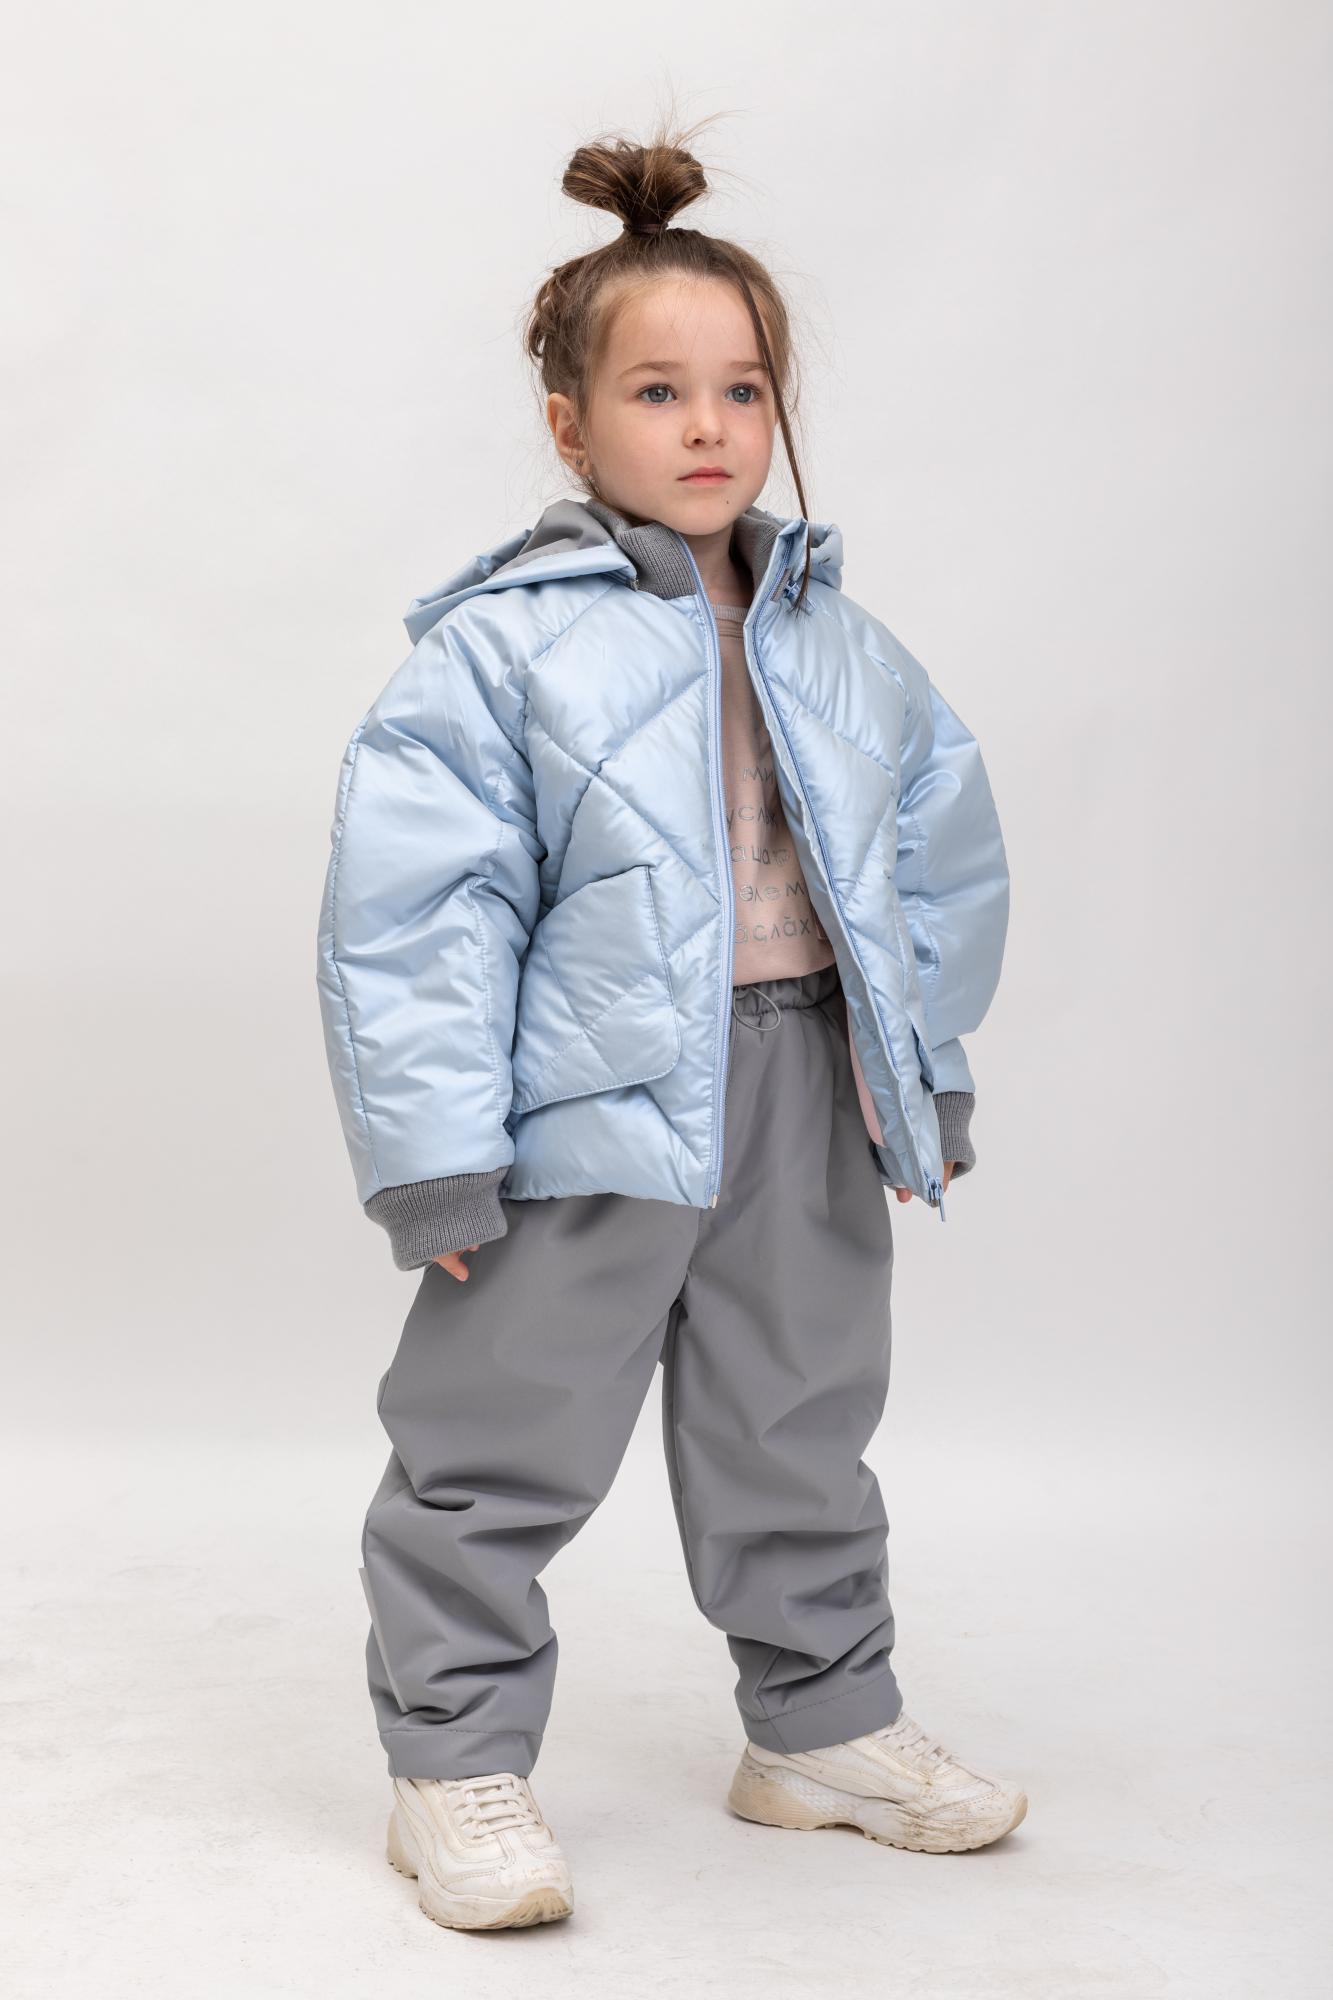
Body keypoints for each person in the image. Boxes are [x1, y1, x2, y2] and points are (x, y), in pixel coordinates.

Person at [315, 117, 1023, 1934]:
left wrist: (920, 1077)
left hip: (804, 1084)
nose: (707, 426)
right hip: (586, 1112)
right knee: (499, 1436)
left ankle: (820, 1728)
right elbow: (417, 924)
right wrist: (436, 1161)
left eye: (742, 388)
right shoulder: (497, 654)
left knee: (798, 1418)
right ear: (571, 427)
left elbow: (936, 870)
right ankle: (451, 1757)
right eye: (657, 391)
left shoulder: (840, 644)